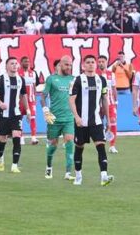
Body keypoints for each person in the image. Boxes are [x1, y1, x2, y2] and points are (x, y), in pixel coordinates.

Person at [68, 56, 115, 187]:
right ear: (83, 65)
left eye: (92, 62)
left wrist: (108, 119)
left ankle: (104, 176)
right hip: (81, 121)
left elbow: (104, 99)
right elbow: (71, 100)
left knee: (101, 147)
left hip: (96, 121)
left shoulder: (101, 80)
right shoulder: (77, 80)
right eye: (88, 62)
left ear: (96, 65)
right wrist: (76, 117)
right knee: (79, 147)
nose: (90, 64)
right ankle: (78, 176)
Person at [42, 56, 76, 180]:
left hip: (68, 118)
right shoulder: (51, 79)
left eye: (70, 65)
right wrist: (46, 111)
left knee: (70, 142)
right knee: (53, 145)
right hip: (54, 118)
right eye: (66, 65)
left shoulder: (73, 79)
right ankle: (49, 166)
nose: (69, 67)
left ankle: (68, 173)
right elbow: (43, 96)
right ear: (60, 65)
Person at [0, 57, 26, 173]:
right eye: (12, 63)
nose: (14, 65)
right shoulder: (1, 79)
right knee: (2, 139)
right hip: (3, 114)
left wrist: (27, 111)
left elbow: (23, 96)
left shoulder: (20, 79)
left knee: (17, 137)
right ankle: (0, 158)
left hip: (16, 114)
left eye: (16, 63)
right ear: (6, 66)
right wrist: (0, 103)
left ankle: (14, 165)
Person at [100, 55, 120, 153]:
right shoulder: (94, 74)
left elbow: (114, 88)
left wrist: (116, 101)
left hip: (110, 102)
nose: (101, 63)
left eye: (103, 61)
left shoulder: (111, 74)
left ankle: (112, 146)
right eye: (99, 62)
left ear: (106, 62)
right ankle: (100, 144)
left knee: (113, 121)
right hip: (98, 104)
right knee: (98, 124)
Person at [19, 56, 41, 144]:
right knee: (19, 118)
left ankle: (33, 138)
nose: (27, 63)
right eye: (25, 61)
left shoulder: (33, 73)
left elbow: (34, 86)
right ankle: (21, 138)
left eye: (28, 61)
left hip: (31, 100)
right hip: (20, 100)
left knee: (32, 118)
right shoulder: (17, 73)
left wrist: (34, 97)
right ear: (21, 63)